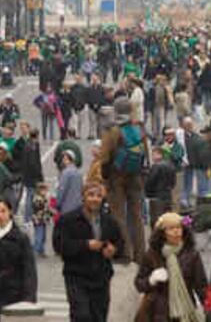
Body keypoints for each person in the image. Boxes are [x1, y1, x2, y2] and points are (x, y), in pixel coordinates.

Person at [53, 182, 124, 322]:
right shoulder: (68, 220)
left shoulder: (109, 221)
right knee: (81, 315)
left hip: (101, 277)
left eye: (99, 196)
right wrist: (85, 245)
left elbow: (120, 243)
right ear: (83, 197)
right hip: (77, 276)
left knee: (99, 316)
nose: (95, 199)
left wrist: (114, 250)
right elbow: (59, 245)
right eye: (91, 195)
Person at [97, 96, 147, 263]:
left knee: (118, 215)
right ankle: (141, 252)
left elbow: (104, 158)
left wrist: (104, 176)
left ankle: (126, 252)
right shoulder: (139, 128)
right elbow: (145, 154)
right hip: (136, 176)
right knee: (136, 215)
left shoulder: (112, 131)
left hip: (116, 178)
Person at [134, 212, 207, 322]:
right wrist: (151, 280)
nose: (176, 231)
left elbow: (201, 286)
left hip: (185, 313)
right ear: (162, 233)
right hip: (157, 314)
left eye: (179, 227)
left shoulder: (192, 254)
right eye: (171, 228)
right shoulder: (152, 254)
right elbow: (139, 284)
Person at [144, 146, 176, 231]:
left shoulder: (156, 167)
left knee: (156, 221)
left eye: (153, 154)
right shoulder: (171, 165)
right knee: (167, 219)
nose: (152, 156)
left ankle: (156, 238)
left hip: (156, 196)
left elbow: (150, 182)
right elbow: (173, 182)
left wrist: (147, 192)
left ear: (159, 155)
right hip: (168, 195)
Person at [56, 151, 83, 215]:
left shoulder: (66, 172)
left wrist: (58, 204)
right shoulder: (78, 172)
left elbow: (61, 190)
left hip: (66, 208)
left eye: (65, 159)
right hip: (78, 206)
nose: (63, 161)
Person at [31, 182, 52, 257]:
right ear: (39, 190)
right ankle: (33, 250)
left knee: (43, 237)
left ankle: (41, 251)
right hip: (38, 220)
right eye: (44, 190)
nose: (46, 192)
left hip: (42, 220)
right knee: (39, 237)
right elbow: (40, 209)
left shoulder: (43, 198)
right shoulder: (38, 199)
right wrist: (49, 210)